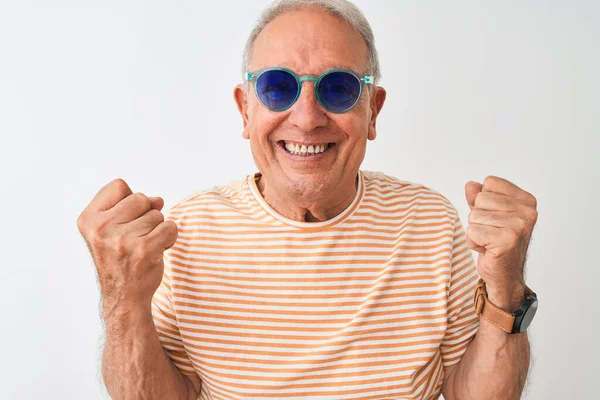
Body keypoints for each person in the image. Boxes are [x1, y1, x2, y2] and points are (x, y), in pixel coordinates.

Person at [77, 0, 539, 399]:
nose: (307, 116)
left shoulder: (430, 223)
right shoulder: (188, 231)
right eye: (277, 86)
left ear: (372, 110)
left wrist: (505, 287)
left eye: (338, 88)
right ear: (245, 108)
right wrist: (124, 298)